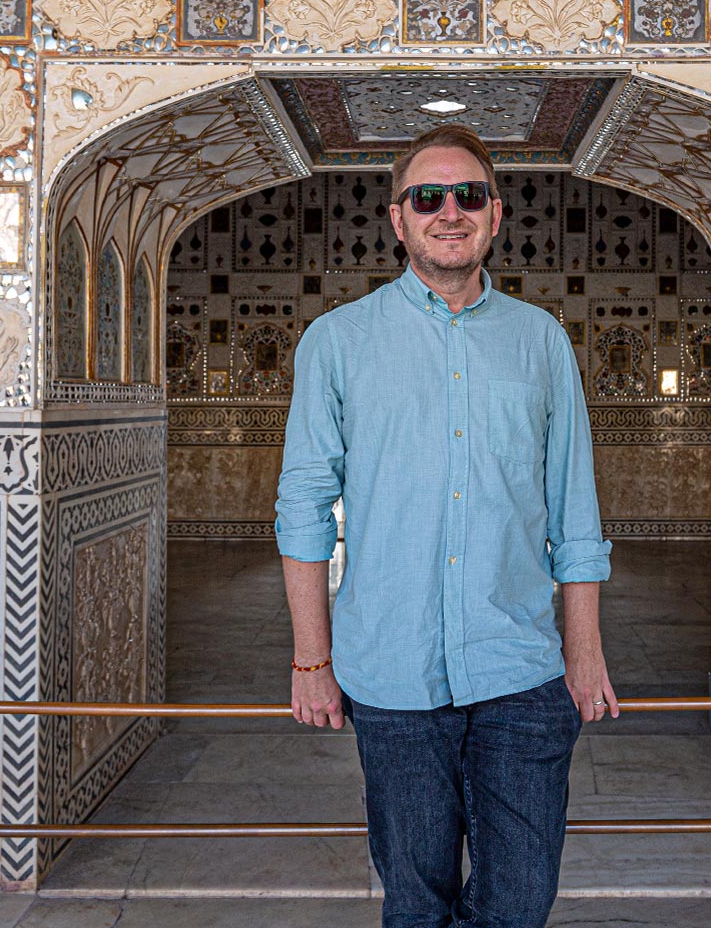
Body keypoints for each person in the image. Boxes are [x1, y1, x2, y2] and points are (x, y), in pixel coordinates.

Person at [273, 123, 616, 928]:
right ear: (397, 218)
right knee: (416, 900)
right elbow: (303, 509)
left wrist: (586, 652)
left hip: (522, 673)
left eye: (468, 195)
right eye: (428, 197)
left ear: (496, 215)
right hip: (392, 678)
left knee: (521, 899)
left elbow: (574, 506)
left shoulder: (539, 342)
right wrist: (311, 658)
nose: (449, 211)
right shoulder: (339, 344)